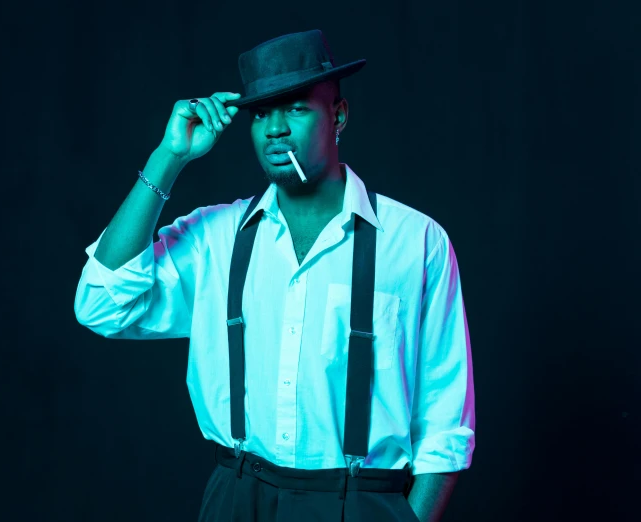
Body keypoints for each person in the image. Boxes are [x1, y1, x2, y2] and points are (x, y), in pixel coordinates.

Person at [74, 30, 475, 522]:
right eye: (262, 113)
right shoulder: (216, 238)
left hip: (362, 502)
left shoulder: (416, 242)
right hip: (238, 497)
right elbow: (101, 304)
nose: (275, 129)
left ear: (338, 116)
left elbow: (445, 423)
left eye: (297, 108)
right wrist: (169, 156)